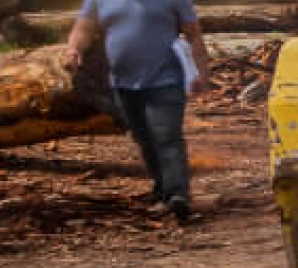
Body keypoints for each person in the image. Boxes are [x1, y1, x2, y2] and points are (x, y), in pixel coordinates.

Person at [63, 0, 209, 217]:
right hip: (122, 84)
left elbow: (194, 34)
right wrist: (73, 50)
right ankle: (162, 191)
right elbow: (84, 27)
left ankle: (177, 194)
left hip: (165, 80)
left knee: (166, 136)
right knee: (144, 139)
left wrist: (200, 72)